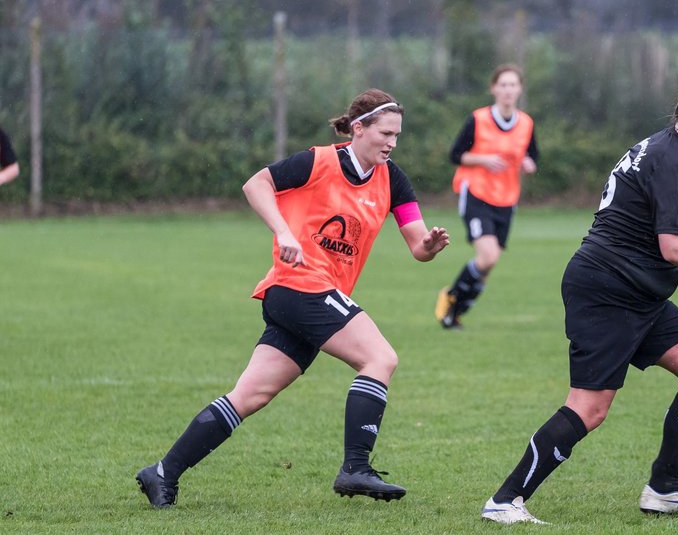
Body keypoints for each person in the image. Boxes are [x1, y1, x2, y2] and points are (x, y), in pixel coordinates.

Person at [134, 89, 451, 508]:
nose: (392, 142)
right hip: (299, 285)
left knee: (249, 396)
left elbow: (417, 246)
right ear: (359, 129)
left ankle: (162, 473)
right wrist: (283, 231)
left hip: (307, 298)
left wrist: (430, 244)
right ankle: (355, 466)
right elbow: (256, 184)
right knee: (380, 358)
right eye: (385, 133)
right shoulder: (317, 161)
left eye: (397, 135)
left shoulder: (393, 179)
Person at [480, 69, 678, 524]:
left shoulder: (658, 146)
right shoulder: (673, 164)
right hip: (607, 290)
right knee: (590, 408)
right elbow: (674, 248)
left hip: (640, 292)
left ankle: (664, 490)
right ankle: (505, 500)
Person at [435, 64, 539, 329]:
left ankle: (454, 313)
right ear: (493, 88)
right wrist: (483, 160)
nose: (507, 90)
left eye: (512, 85)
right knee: (487, 257)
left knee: (488, 265)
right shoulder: (479, 119)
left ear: (520, 89)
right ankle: (450, 299)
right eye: (502, 84)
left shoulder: (526, 123)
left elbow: (532, 155)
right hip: (477, 194)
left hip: (506, 200)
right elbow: (456, 155)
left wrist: (529, 163)